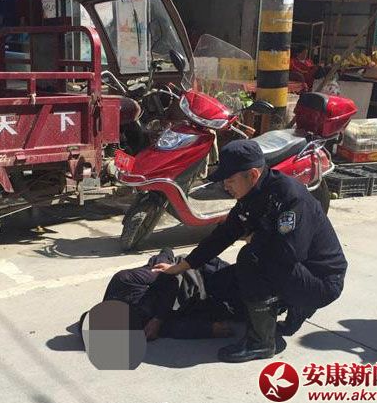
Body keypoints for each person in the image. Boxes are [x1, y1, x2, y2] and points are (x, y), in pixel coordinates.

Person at [153, 140, 348, 363]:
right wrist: (182, 266)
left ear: (253, 174)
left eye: (230, 180)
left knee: (250, 258)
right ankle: (292, 306)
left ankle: (261, 342)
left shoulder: (290, 198)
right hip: (297, 271)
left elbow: (288, 253)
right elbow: (223, 235)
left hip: (321, 281)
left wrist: (257, 237)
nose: (226, 186)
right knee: (221, 285)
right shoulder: (251, 196)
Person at [83, 248, 245, 341]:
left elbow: (169, 278)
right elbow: (171, 329)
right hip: (205, 304)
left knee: (248, 279)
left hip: (201, 274)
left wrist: (157, 319)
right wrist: (208, 330)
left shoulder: (124, 281)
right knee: (247, 314)